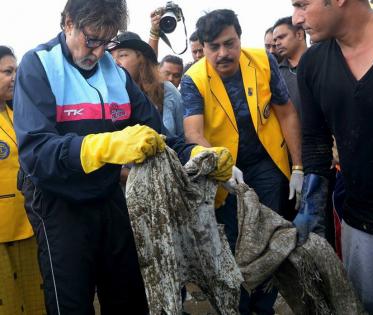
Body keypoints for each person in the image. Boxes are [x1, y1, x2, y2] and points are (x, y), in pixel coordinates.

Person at [12, 1, 234, 314]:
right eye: (91, 40)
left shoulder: (115, 74)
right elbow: (36, 153)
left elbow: (159, 138)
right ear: (67, 23)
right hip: (58, 201)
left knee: (129, 294)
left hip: (108, 193)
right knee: (71, 301)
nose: (99, 52)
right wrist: (103, 146)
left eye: (107, 42)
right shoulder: (39, 65)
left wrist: (196, 154)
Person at [291, 0, 373, 314]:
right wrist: (312, 202)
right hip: (358, 225)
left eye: (302, 4)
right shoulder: (313, 64)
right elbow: (315, 139)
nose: (296, 18)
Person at [181, 9, 302, 314]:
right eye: (214, 47)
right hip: (226, 174)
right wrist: (220, 163)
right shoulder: (194, 79)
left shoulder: (263, 61)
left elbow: (286, 112)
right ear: (203, 47)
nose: (223, 53)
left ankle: (263, 307)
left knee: (267, 241)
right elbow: (193, 133)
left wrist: (298, 166)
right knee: (234, 243)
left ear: (239, 38)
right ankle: (238, 307)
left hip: (266, 165)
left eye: (229, 43)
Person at [0, 46, 46, 315]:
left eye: (16, 71)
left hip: (29, 225)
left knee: (35, 303)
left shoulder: (20, 115)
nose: (15, 77)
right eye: (7, 71)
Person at [110, 31, 184, 138]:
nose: (115, 62)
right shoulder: (106, 94)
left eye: (122, 55)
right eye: (111, 57)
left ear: (140, 58)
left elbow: (182, 136)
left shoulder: (165, 90)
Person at [272, 16, 307, 114]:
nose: (277, 43)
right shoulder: (276, 74)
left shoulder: (322, 62)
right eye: (275, 40)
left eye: (281, 37)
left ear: (299, 34)